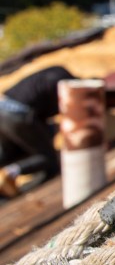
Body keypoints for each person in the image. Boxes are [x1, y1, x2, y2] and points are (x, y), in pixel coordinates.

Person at [0, 66, 75, 197]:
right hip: (18, 114)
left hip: (3, 108)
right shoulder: (70, 87)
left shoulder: (57, 71)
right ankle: (9, 172)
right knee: (48, 159)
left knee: (11, 152)